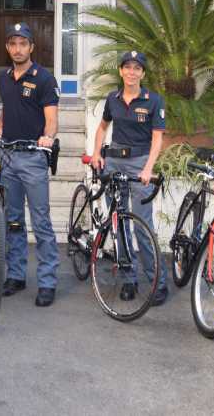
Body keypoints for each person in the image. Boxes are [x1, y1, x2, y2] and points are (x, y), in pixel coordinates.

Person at [0, 22, 60, 307]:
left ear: (31, 47)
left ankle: (47, 282)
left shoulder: (43, 79)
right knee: (13, 220)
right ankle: (16, 275)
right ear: (8, 47)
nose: (17, 49)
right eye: (13, 44)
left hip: (32, 157)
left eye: (23, 44)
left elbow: (52, 118)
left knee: (40, 221)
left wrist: (48, 136)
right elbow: (8, 107)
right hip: (7, 156)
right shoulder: (3, 78)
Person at [90, 50, 168, 306]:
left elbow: (157, 138)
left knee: (142, 226)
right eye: (127, 67)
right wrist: (96, 153)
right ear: (121, 71)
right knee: (119, 223)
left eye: (137, 68)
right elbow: (102, 127)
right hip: (114, 162)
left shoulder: (154, 100)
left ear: (143, 73)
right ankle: (128, 279)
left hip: (139, 164)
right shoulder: (112, 99)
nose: (132, 72)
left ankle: (157, 281)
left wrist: (148, 168)